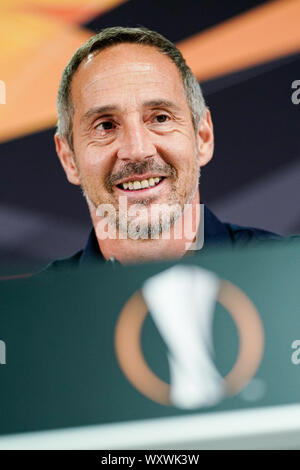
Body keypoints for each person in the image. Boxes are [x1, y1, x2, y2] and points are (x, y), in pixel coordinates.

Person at [52, 26, 281, 269]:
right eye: (106, 125)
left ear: (202, 137)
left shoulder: (290, 277)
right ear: (69, 159)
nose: (138, 150)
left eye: (161, 118)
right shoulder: (25, 306)